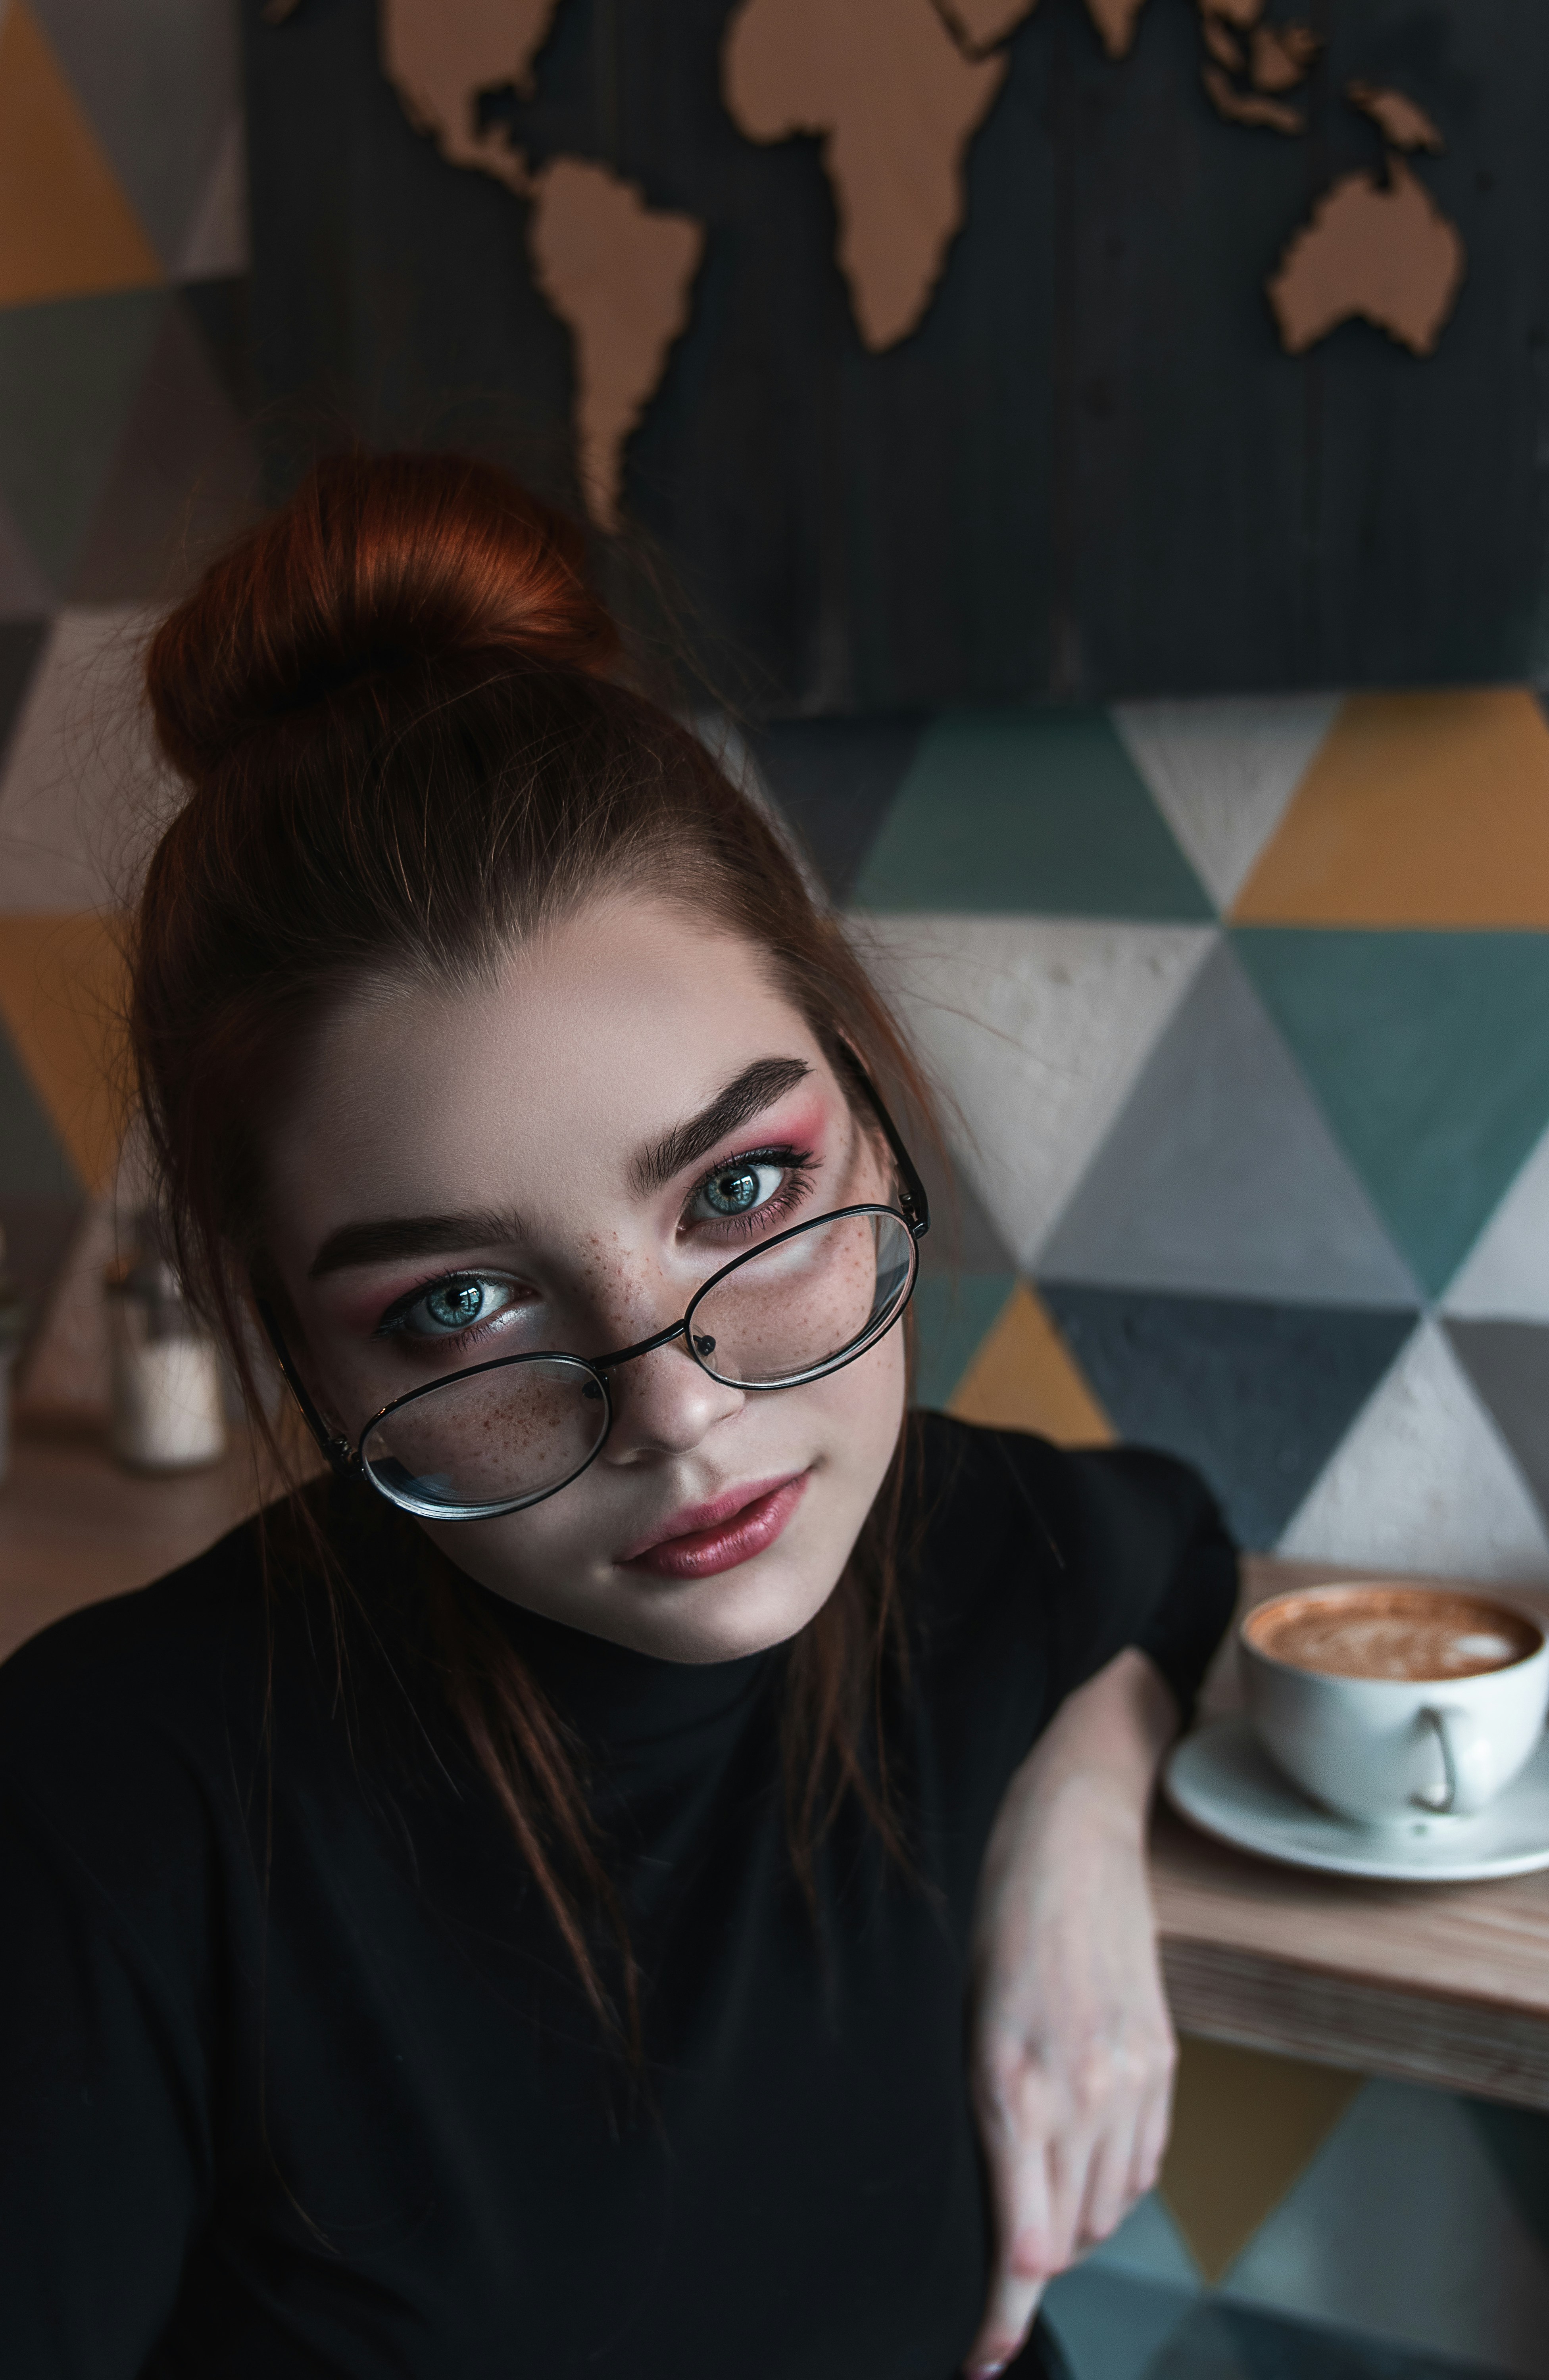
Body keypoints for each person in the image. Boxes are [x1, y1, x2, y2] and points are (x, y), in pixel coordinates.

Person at [0, 455, 1236, 2380]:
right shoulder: (105, 1815)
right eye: (457, 1305)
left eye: (738, 1191)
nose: (678, 1407)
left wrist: (1081, 1802)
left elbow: (1163, 1542)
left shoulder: (953, 1552)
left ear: (866, 1101)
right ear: (300, 1348)